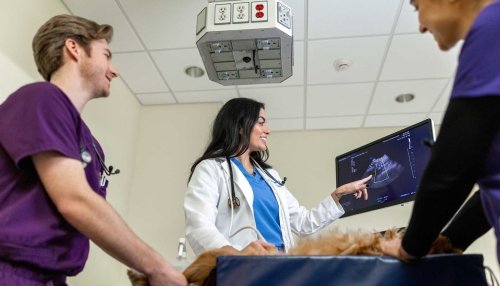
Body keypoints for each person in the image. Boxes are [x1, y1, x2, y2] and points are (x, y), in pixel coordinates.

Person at [0, 14, 187, 286]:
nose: (114, 70)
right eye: (107, 55)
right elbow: (75, 201)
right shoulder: (42, 98)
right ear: (74, 48)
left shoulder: (90, 144)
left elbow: (92, 213)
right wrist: (157, 267)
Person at [382, 0, 500, 263]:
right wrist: (448, 241)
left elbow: (454, 166)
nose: (421, 27)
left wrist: (410, 247)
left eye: (416, 7)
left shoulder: (492, 28)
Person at [184, 98, 372, 255]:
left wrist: (338, 195)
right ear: (240, 126)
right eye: (261, 122)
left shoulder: (269, 176)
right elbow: (199, 227)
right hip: (242, 268)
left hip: (281, 266)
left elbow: (303, 223)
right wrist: (235, 255)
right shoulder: (211, 169)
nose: (268, 130)